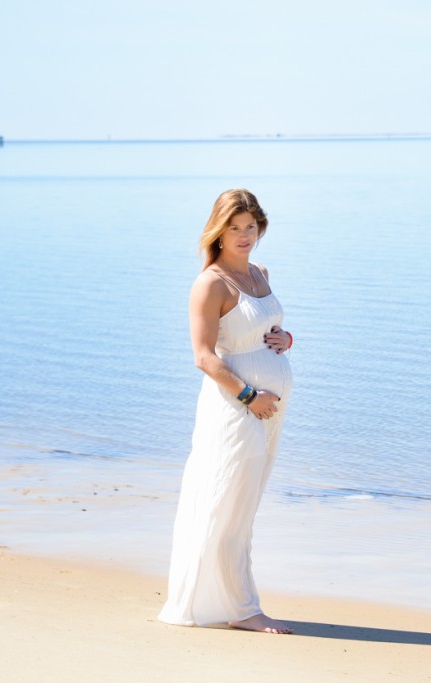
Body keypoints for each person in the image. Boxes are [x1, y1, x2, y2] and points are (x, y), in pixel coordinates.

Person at [158, 189, 294, 634]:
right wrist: (249, 396)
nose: (243, 236)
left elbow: (262, 329)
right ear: (218, 229)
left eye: (250, 226)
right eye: (234, 228)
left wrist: (285, 339)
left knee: (245, 505)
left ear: (261, 227)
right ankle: (242, 608)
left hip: (269, 409)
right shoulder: (211, 283)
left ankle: (233, 600)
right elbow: (204, 356)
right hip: (237, 408)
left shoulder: (260, 273)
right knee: (227, 504)